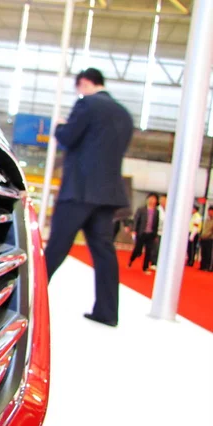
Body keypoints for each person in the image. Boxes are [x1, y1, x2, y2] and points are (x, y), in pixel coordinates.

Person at [44, 68, 133, 328]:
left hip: (79, 190)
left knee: (56, 249)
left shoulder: (87, 105)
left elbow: (68, 138)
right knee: (104, 252)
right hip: (107, 194)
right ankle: (107, 312)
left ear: (84, 83)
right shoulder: (124, 115)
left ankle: (25, 301)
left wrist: (60, 126)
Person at [128, 193, 160, 274]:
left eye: (154, 199)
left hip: (150, 234)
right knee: (137, 249)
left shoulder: (156, 211)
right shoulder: (141, 209)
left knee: (149, 251)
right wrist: (134, 230)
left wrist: (155, 235)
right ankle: (131, 260)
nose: (152, 201)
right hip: (141, 233)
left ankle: (145, 268)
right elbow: (136, 220)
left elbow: (156, 223)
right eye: (150, 198)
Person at [150, 193, 166, 270]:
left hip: (165, 233)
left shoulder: (168, 210)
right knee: (156, 248)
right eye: (161, 200)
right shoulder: (157, 210)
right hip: (157, 231)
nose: (163, 201)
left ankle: (160, 263)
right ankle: (154, 262)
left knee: (162, 249)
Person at [199, 206, 213, 271]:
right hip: (203, 238)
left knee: (208, 253)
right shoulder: (207, 220)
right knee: (203, 253)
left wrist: (207, 236)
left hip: (210, 239)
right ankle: (203, 265)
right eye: (208, 211)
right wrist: (201, 236)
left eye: (210, 211)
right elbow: (204, 229)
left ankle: (207, 266)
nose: (209, 213)